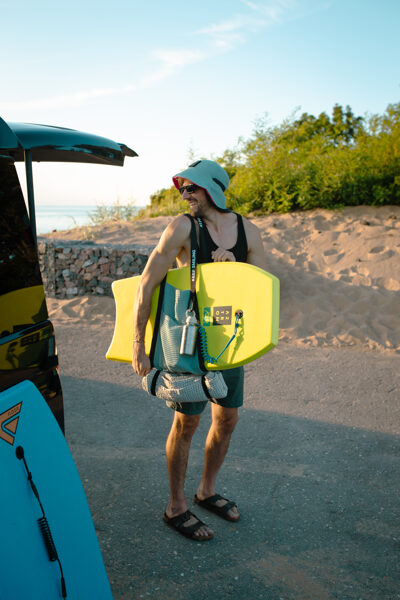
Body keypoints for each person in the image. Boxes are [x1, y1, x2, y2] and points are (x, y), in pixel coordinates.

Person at [132, 159, 267, 541]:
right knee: (186, 423)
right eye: (182, 189)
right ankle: (176, 506)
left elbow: (263, 291)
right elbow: (146, 283)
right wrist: (138, 344)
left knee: (227, 421)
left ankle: (206, 490)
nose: (185, 195)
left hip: (229, 345)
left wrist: (234, 268)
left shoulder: (248, 232)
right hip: (185, 344)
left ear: (213, 188)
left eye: (191, 188)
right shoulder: (181, 227)